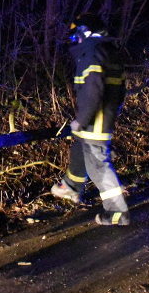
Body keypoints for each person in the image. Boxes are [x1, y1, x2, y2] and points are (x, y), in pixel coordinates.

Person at [50, 13, 131, 225]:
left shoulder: (91, 51)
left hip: (95, 120)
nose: (74, 40)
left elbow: (92, 88)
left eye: (76, 34)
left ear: (84, 32)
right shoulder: (108, 51)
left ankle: (117, 213)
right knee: (91, 161)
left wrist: (81, 120)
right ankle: (74, 188)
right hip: (104, 117)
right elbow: (120, 90)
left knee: (99, 166)